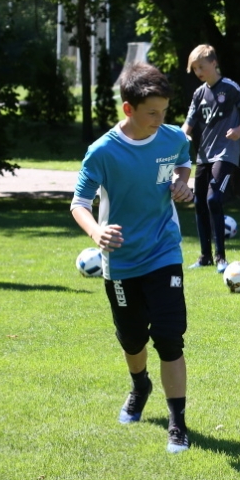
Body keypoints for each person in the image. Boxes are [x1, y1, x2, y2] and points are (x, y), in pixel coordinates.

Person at [70, 63, 196, 454]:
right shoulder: (103, 151)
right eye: (152, 113)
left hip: (164, 250)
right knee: (132, 337)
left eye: (165, 111)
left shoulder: (172, 137)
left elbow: (183, 160)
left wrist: (182, 183)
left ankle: (177, 423)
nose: (160, 120)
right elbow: (78, 203)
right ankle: (140, 385)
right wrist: (97, 233)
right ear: (128, 109)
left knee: (170, 336)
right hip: (122, 260)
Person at [181, 44, 240, 273]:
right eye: (195, 69)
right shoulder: (199, 94)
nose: (198, 72)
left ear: (214, 63)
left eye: (201, 67)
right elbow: (189, 123)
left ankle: (221, 258)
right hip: (204, 155)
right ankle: (204, 256)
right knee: (199, 202)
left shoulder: (229, 87)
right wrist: (179, 137)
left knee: (214, 199)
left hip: (226, 153)